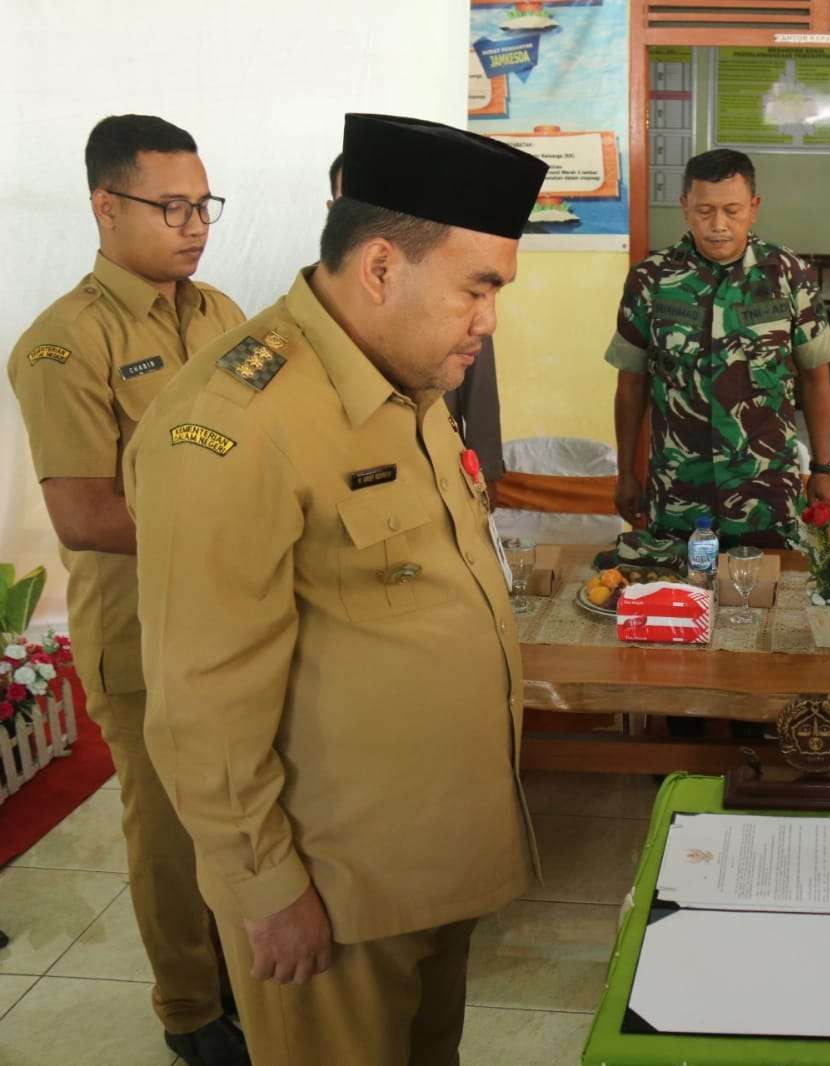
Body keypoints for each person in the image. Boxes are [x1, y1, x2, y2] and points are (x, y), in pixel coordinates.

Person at [125, 113, 547, 1066]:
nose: (488, 320)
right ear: (383, 268)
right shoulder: (237, 427)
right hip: (334, 884)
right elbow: (202, 697)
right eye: (478, 288)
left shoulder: (403, 381)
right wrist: (263, 886)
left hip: (429, 859)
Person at [6, 114, 248, 1066]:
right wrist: (243, 533)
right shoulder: (63, 344)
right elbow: (85, 516)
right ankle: (189, 1013)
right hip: (142, 630)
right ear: (107, 207)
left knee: (236, 807)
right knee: (168, 832)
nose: (194, 226)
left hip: (234, 615)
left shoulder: (219, 313)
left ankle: (236, 975)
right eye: (172, 207)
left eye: (203, 206)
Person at [605, 149, 830, 563]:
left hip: (765, 496)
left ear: (754, 208)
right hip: (678, 496)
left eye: (732, 210)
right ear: (684, 208)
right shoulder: (651, 279)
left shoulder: (787, 275)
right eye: (704, 211)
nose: (717, 225)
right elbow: (631, 384)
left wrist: (821, 468)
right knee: (677, 609)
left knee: (766, 606)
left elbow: (816, 379)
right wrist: (626, 473)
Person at [330, 153, 506, 503]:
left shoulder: (448, 287)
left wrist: (487, 471)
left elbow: (480, 390)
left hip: (435, 474)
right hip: (351, 485)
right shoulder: (318, 304)